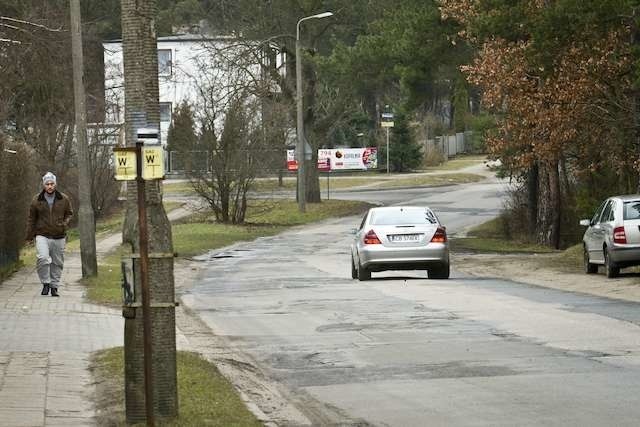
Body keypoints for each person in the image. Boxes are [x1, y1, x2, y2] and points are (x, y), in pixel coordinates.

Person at [26, 172, 73, 297]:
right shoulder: (36, 200)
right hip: (42, 234)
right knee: (43, 258)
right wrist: (29, 236)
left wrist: (64, 223)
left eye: (52, 183)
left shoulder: (64, 199)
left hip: (59, 235)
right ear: (44, 185)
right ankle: (45, 283)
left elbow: (69, 213)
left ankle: (54, 286)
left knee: (57, 262)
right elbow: (31, 219)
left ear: (55, 184)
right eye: (47, 184)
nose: (50, 186)